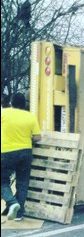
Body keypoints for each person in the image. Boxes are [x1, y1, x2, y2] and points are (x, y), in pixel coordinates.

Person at [1, 92, 42, 221]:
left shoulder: (4, 113)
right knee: (22, 183)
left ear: (12, 103)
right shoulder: (30, 116)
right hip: (25, 153)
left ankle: (12, 203)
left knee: (2, 181)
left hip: (6, 153)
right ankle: (19, 214)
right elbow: (37, 137)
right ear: (24, 104)